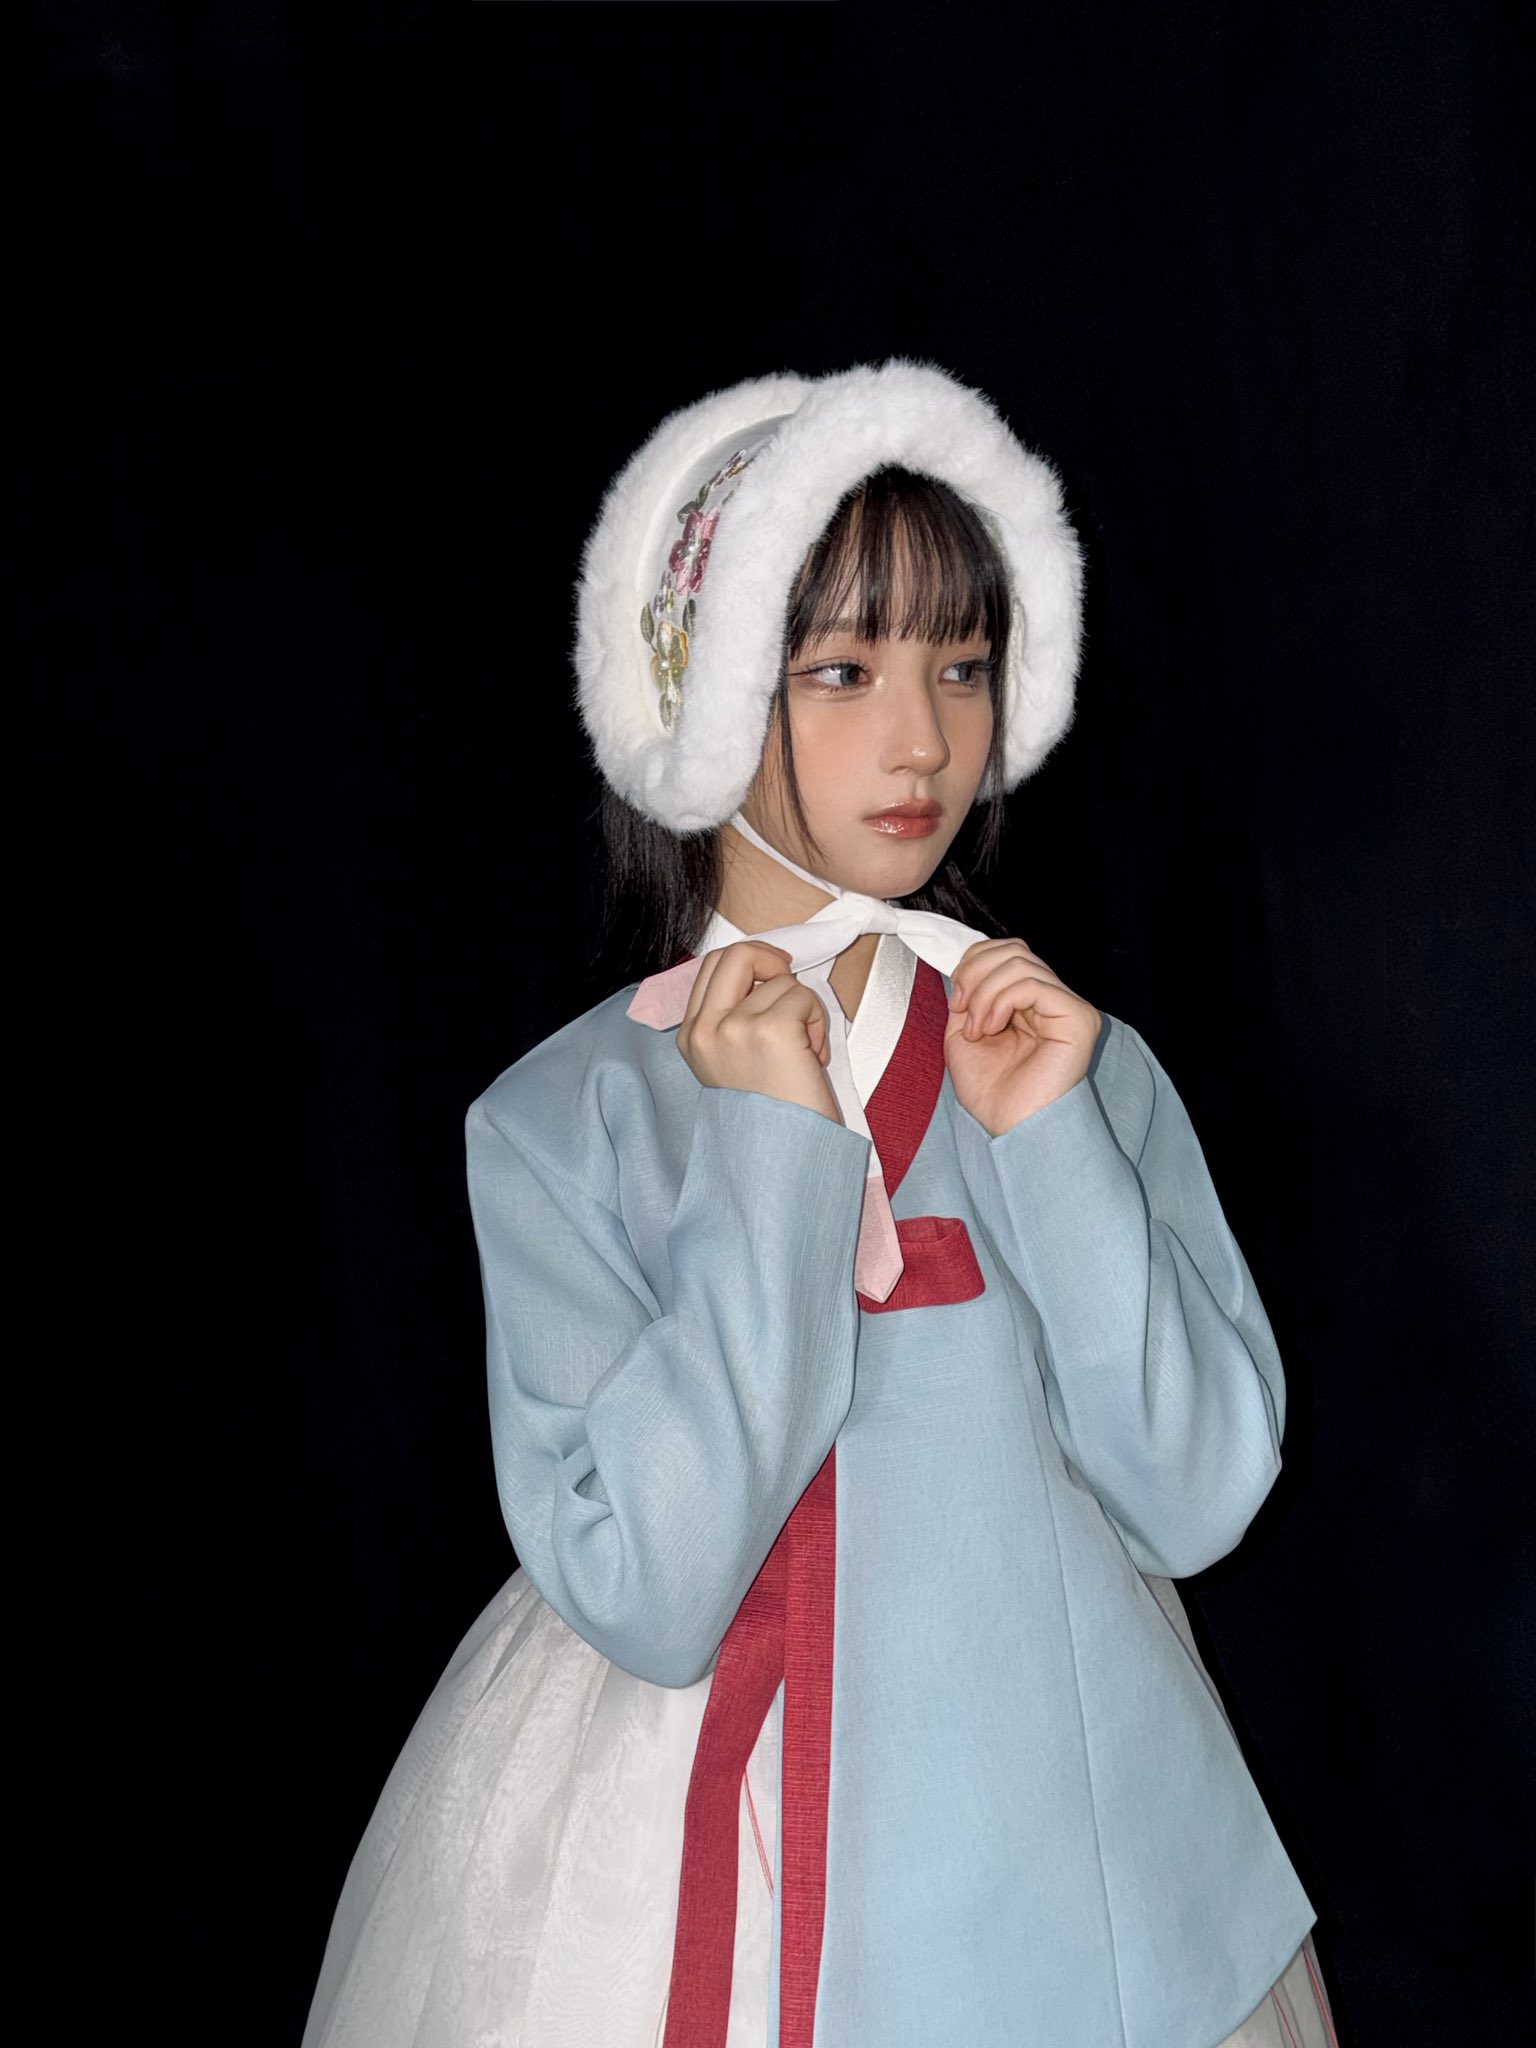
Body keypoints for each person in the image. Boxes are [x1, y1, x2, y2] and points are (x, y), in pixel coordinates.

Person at [302, 361, 1340, 2048]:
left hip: (1086, 1888)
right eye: (844, 670)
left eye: (963, 663)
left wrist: (1057, 1146)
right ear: (707, 689)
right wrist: (776, 1163)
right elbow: (651, 1588)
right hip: (688, 1877)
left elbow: (1204, 1493)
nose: (924, 739)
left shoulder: (1064, 1060)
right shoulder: (566, 1119)